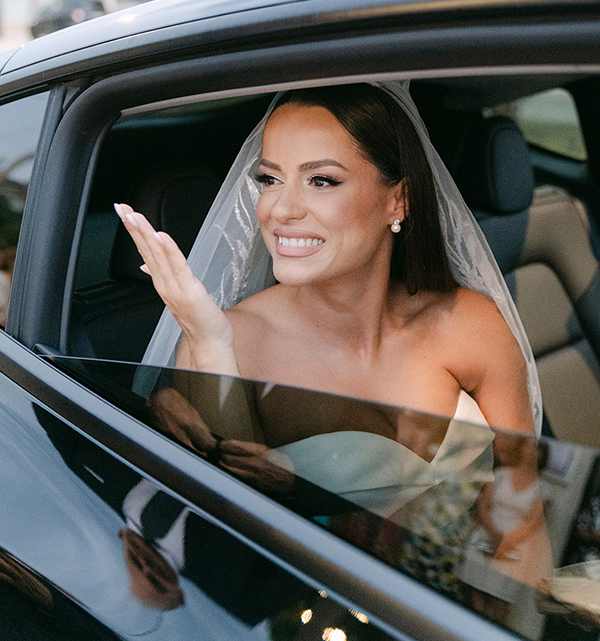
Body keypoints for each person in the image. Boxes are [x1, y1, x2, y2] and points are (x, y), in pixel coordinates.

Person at [114, 81, 540, 443]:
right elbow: (229, 519)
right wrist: (211, 345)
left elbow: (522, 514)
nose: (280, 210)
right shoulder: (224, 345)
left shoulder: (471, 325)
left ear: (399, 200)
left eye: (321, 181)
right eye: (270, 179)